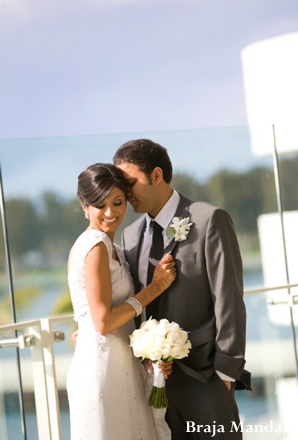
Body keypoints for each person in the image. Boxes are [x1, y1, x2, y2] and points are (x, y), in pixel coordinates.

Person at [113, 139, 249, 440]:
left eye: (130, 182)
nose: (125, 193)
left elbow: (229, 299)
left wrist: (225, 376)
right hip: (153, 384)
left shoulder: (209, 219)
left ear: (157, 176)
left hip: (206, 378)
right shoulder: (130, 236)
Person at [66, 162, 176, 440]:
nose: (110, 212)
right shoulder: (94, 245)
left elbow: (91, 312)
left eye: (117, 202)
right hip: (102, 369)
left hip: (121, 363)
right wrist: (155, 288)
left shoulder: (113, 247)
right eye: (99, 205)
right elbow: (102, 323)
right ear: (84, 206)